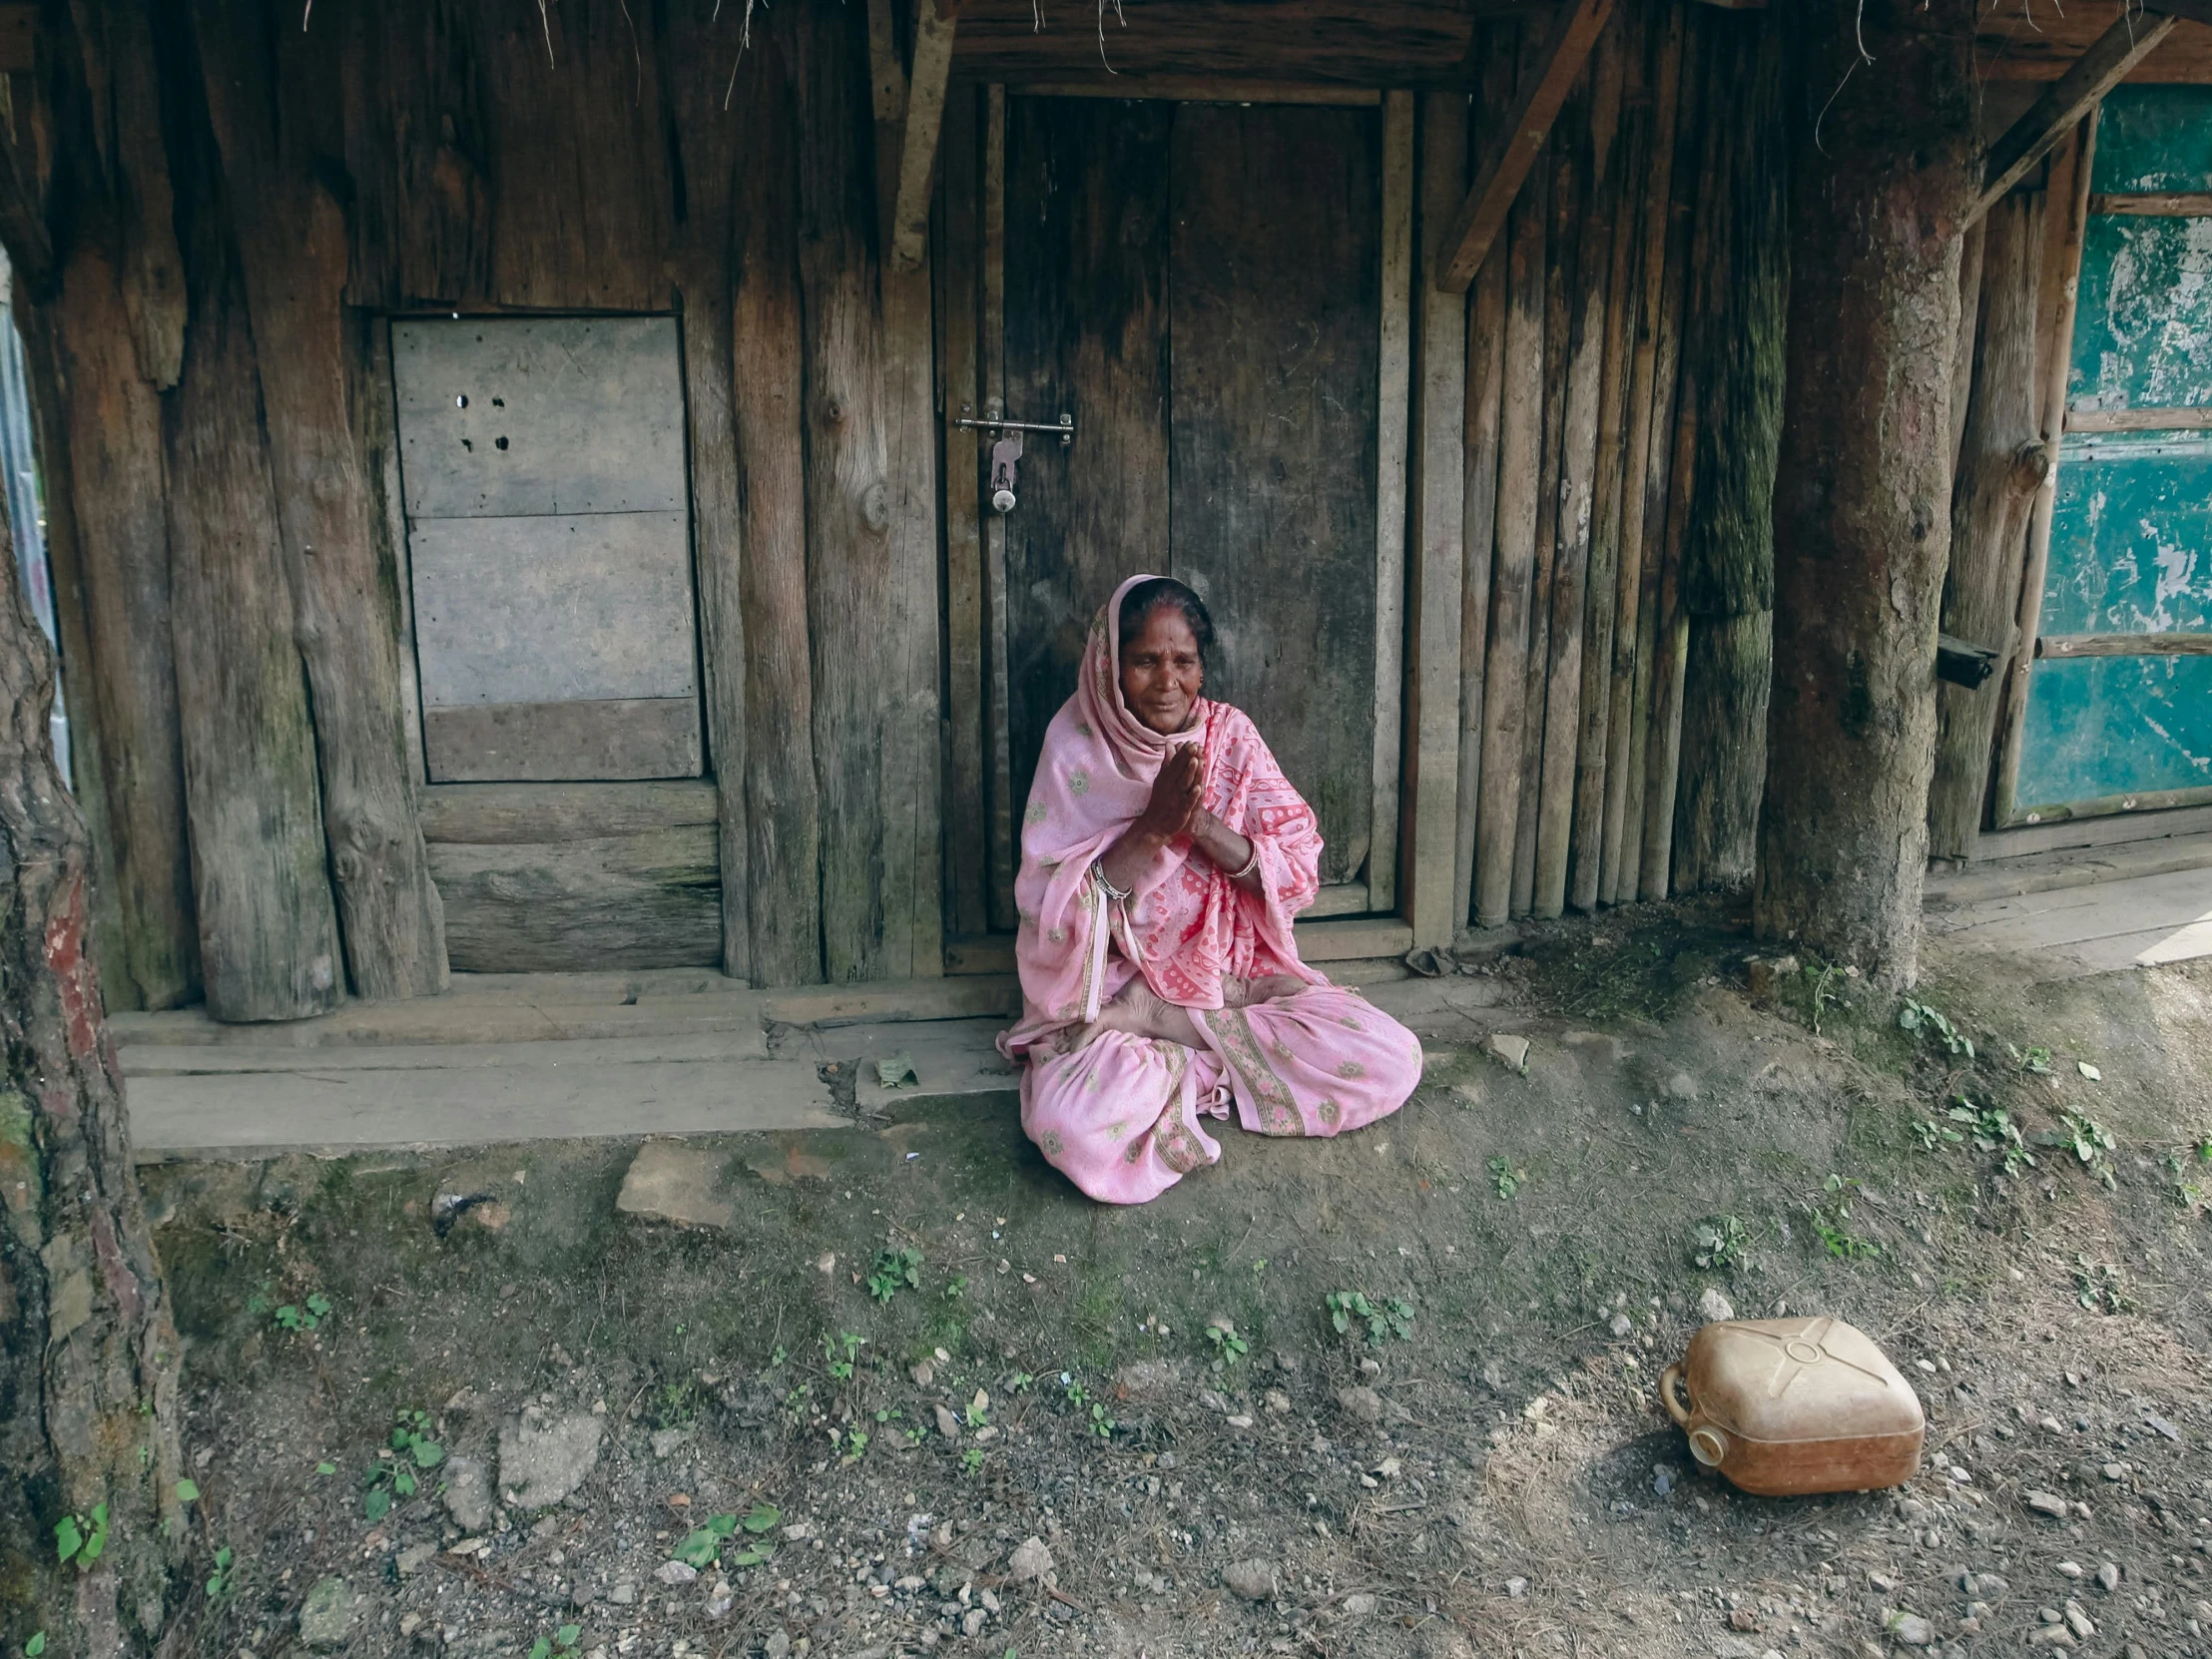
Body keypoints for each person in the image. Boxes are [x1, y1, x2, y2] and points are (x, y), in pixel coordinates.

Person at [998, 573, 1423, 1204]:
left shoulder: (1230, 738)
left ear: (1202, 668)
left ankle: (1182, 1037)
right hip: (1116, 991)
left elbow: (1300, 860)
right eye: (1145, 661)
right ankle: (1178, 1038)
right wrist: (1151, 828)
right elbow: (1051, 909)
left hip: (1233, 983)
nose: (1167, 682)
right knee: (1072, 1128)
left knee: (1393, 1056)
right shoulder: (1077, 750)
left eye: (1183, 662)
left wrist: (1196, 823)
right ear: (1110, 666)